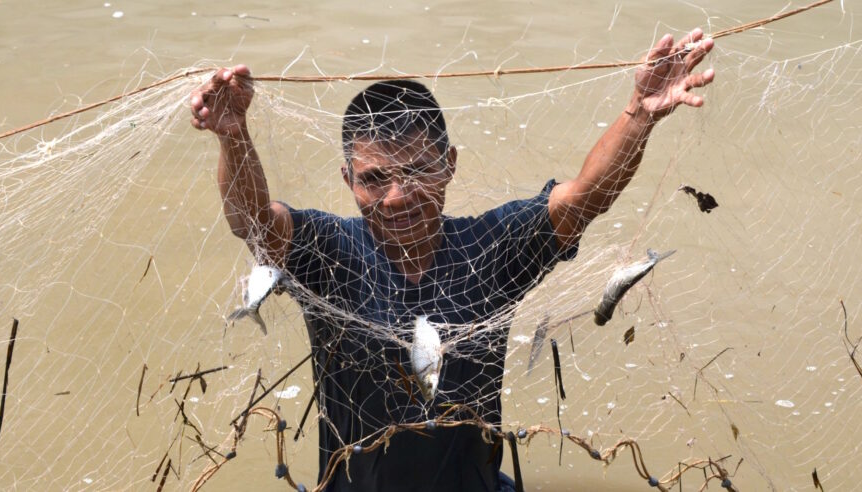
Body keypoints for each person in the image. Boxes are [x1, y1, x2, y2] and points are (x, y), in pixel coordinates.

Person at [190, 29, 714, 492]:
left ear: (450, 165)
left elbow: (582, 201)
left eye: (418, 172)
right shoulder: (329, 252)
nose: (397, 197)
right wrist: (233, 136)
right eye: (374, 178)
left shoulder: (492, 248)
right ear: (348, 180)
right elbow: (256, 223)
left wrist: (639, 113)